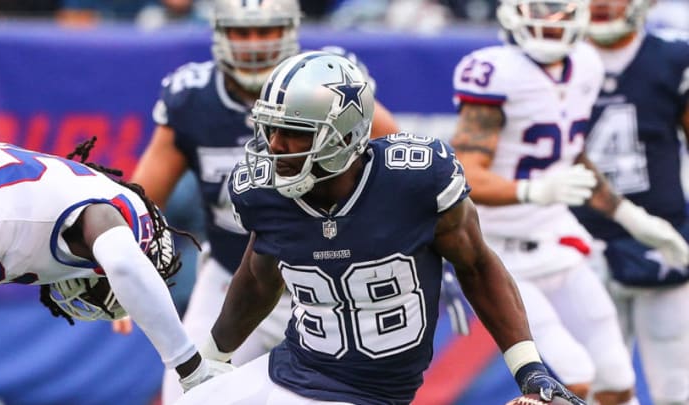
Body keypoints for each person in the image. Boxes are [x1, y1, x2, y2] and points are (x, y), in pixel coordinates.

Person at [174, 50, 585, 405]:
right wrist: (211, 359)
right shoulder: (263, 192)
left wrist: (529, 369)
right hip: (292, 366)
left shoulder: (415, 183)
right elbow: (259, 278)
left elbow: (477, 265)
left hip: (366, 392)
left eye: (295, 133)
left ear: (345, 135)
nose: (276, 145)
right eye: (271, 128)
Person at [111, 0, 399, 402]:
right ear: (218, 33)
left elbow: (395, 167)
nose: (253, 45)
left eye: (266, 31)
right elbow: (139, 204)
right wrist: (113, 268)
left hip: (325, 287)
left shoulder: (332, 84)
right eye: (241, 32)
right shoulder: (192, 96)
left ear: (291, 31)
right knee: (188, 397)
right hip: (233, 279)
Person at [449, 0, 689, 403]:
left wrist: (632, 217)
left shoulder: (586, 65)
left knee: (614, 377)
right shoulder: (496, 70)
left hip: (559, 242)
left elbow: (570, 156)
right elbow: (466, 172)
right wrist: (533, 190)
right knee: (573, 378)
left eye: (558, 10)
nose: (549, 21)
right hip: (503, 255)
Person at [0, 137, 221, 394]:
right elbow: (124, 263)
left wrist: (134, 300)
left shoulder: (78, 189)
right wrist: (190, 366)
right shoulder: (113, 218)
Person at [571, 1, 689, 403]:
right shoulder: (557, 59)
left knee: (677, 387)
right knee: (600, 386)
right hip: (579, 242)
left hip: (662, 238)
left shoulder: (673, 56)